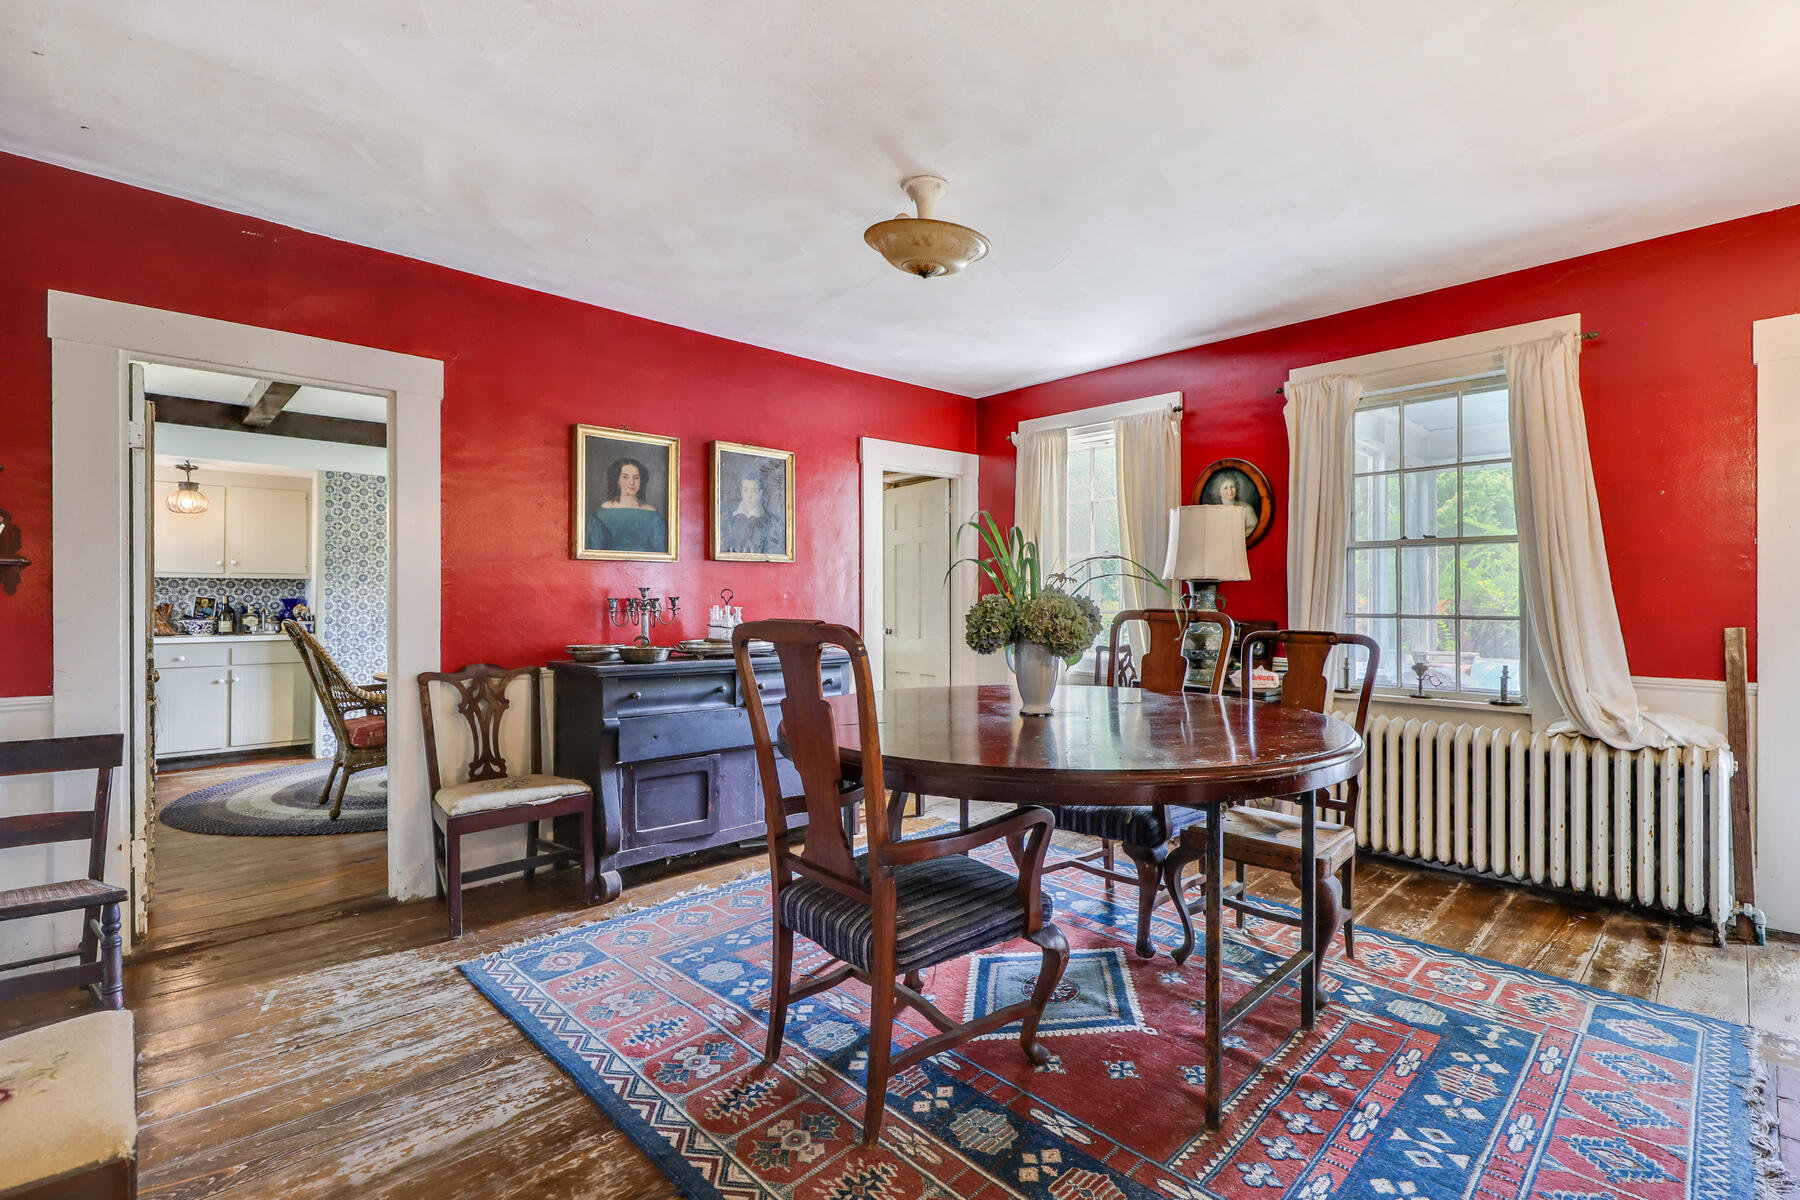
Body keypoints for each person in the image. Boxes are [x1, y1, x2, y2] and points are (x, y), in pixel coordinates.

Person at [587, 456, 668, 553]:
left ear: (641, 481)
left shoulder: (652, 513)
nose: (632, 482)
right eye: (625, 477)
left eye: (636, 477)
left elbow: (660, 549)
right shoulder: (603, 511)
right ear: (617, 480)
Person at [722, 471, 782, 555]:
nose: (749, 496)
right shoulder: (729, 517)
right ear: (741, 491)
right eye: (745, 490)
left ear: (760, 493)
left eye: (754, 491)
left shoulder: (771, 520)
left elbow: (775, 550)